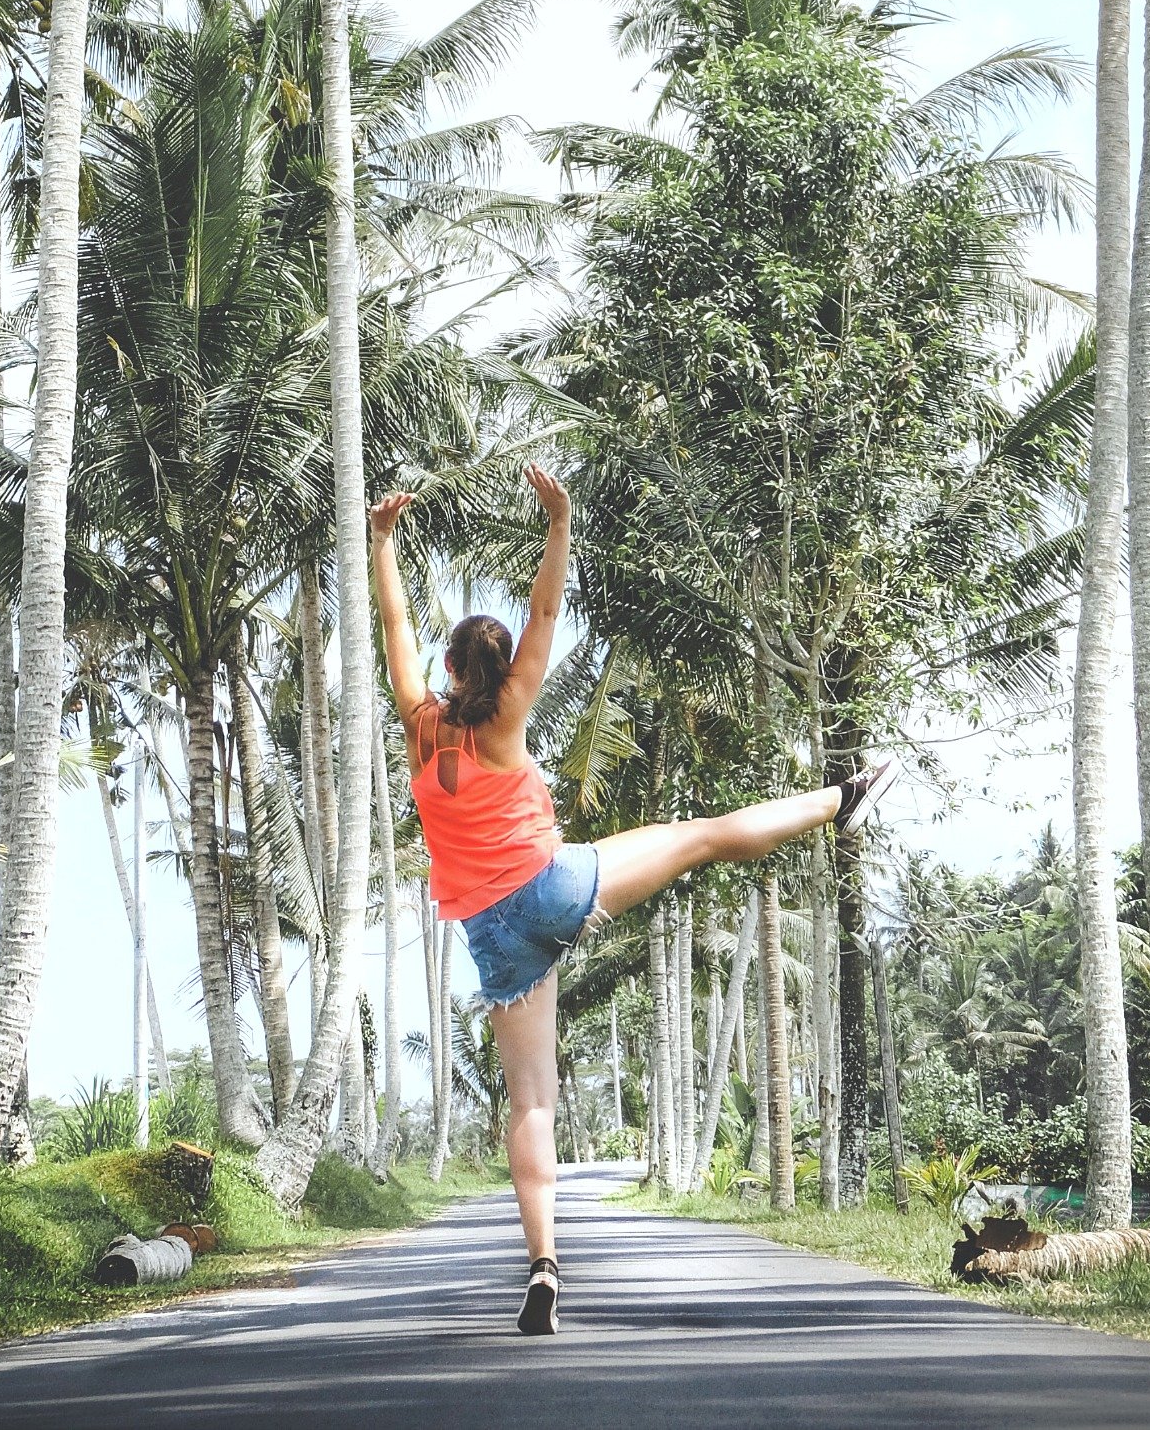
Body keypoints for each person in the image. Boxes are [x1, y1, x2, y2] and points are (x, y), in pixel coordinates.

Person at [370, 463, 892, 1337]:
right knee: (703, 833)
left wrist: (384, 540)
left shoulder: (422, 723)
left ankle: (542, 1264)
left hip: (494, 938)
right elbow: (544, 613)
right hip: (554, 886)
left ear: (451, 666)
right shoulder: (508, 717)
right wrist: (558, 520)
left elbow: (392, 623)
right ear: (499, 671)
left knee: (528, 1100)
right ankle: (841, 800)